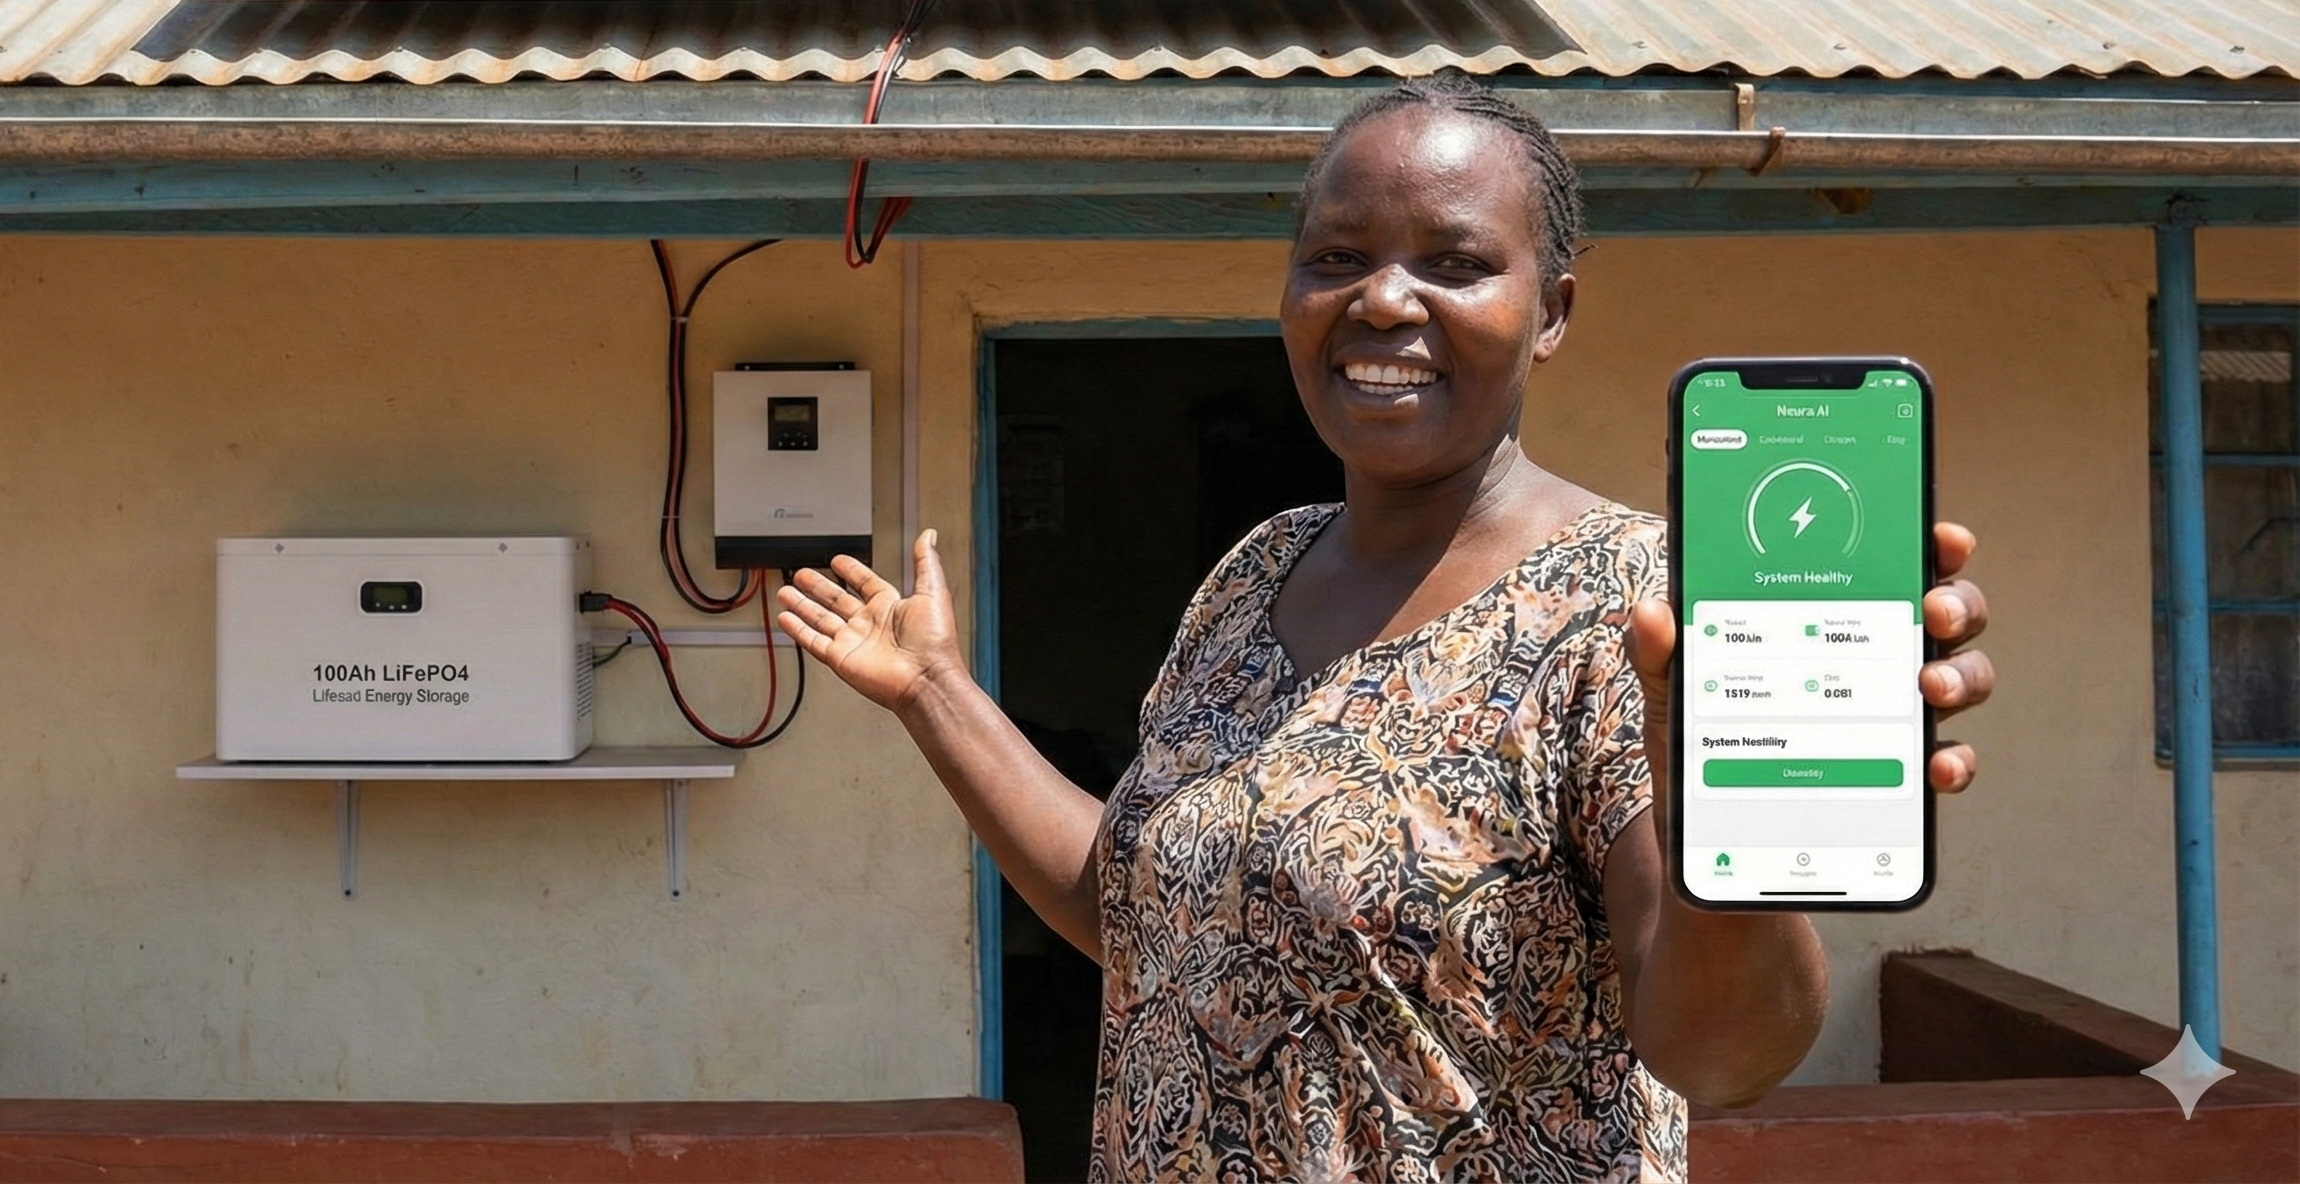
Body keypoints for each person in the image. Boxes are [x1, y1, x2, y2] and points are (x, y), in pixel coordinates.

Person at [774, 72, 1999, 1182]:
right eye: (1335, 255)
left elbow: (1720, 1053)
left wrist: (1737, 838)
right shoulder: (1253, 574)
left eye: (1455, 263)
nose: (1382, 299)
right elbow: (1143, 916)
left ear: (1552, 310)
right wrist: (934, 692)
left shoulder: (1631, 608)